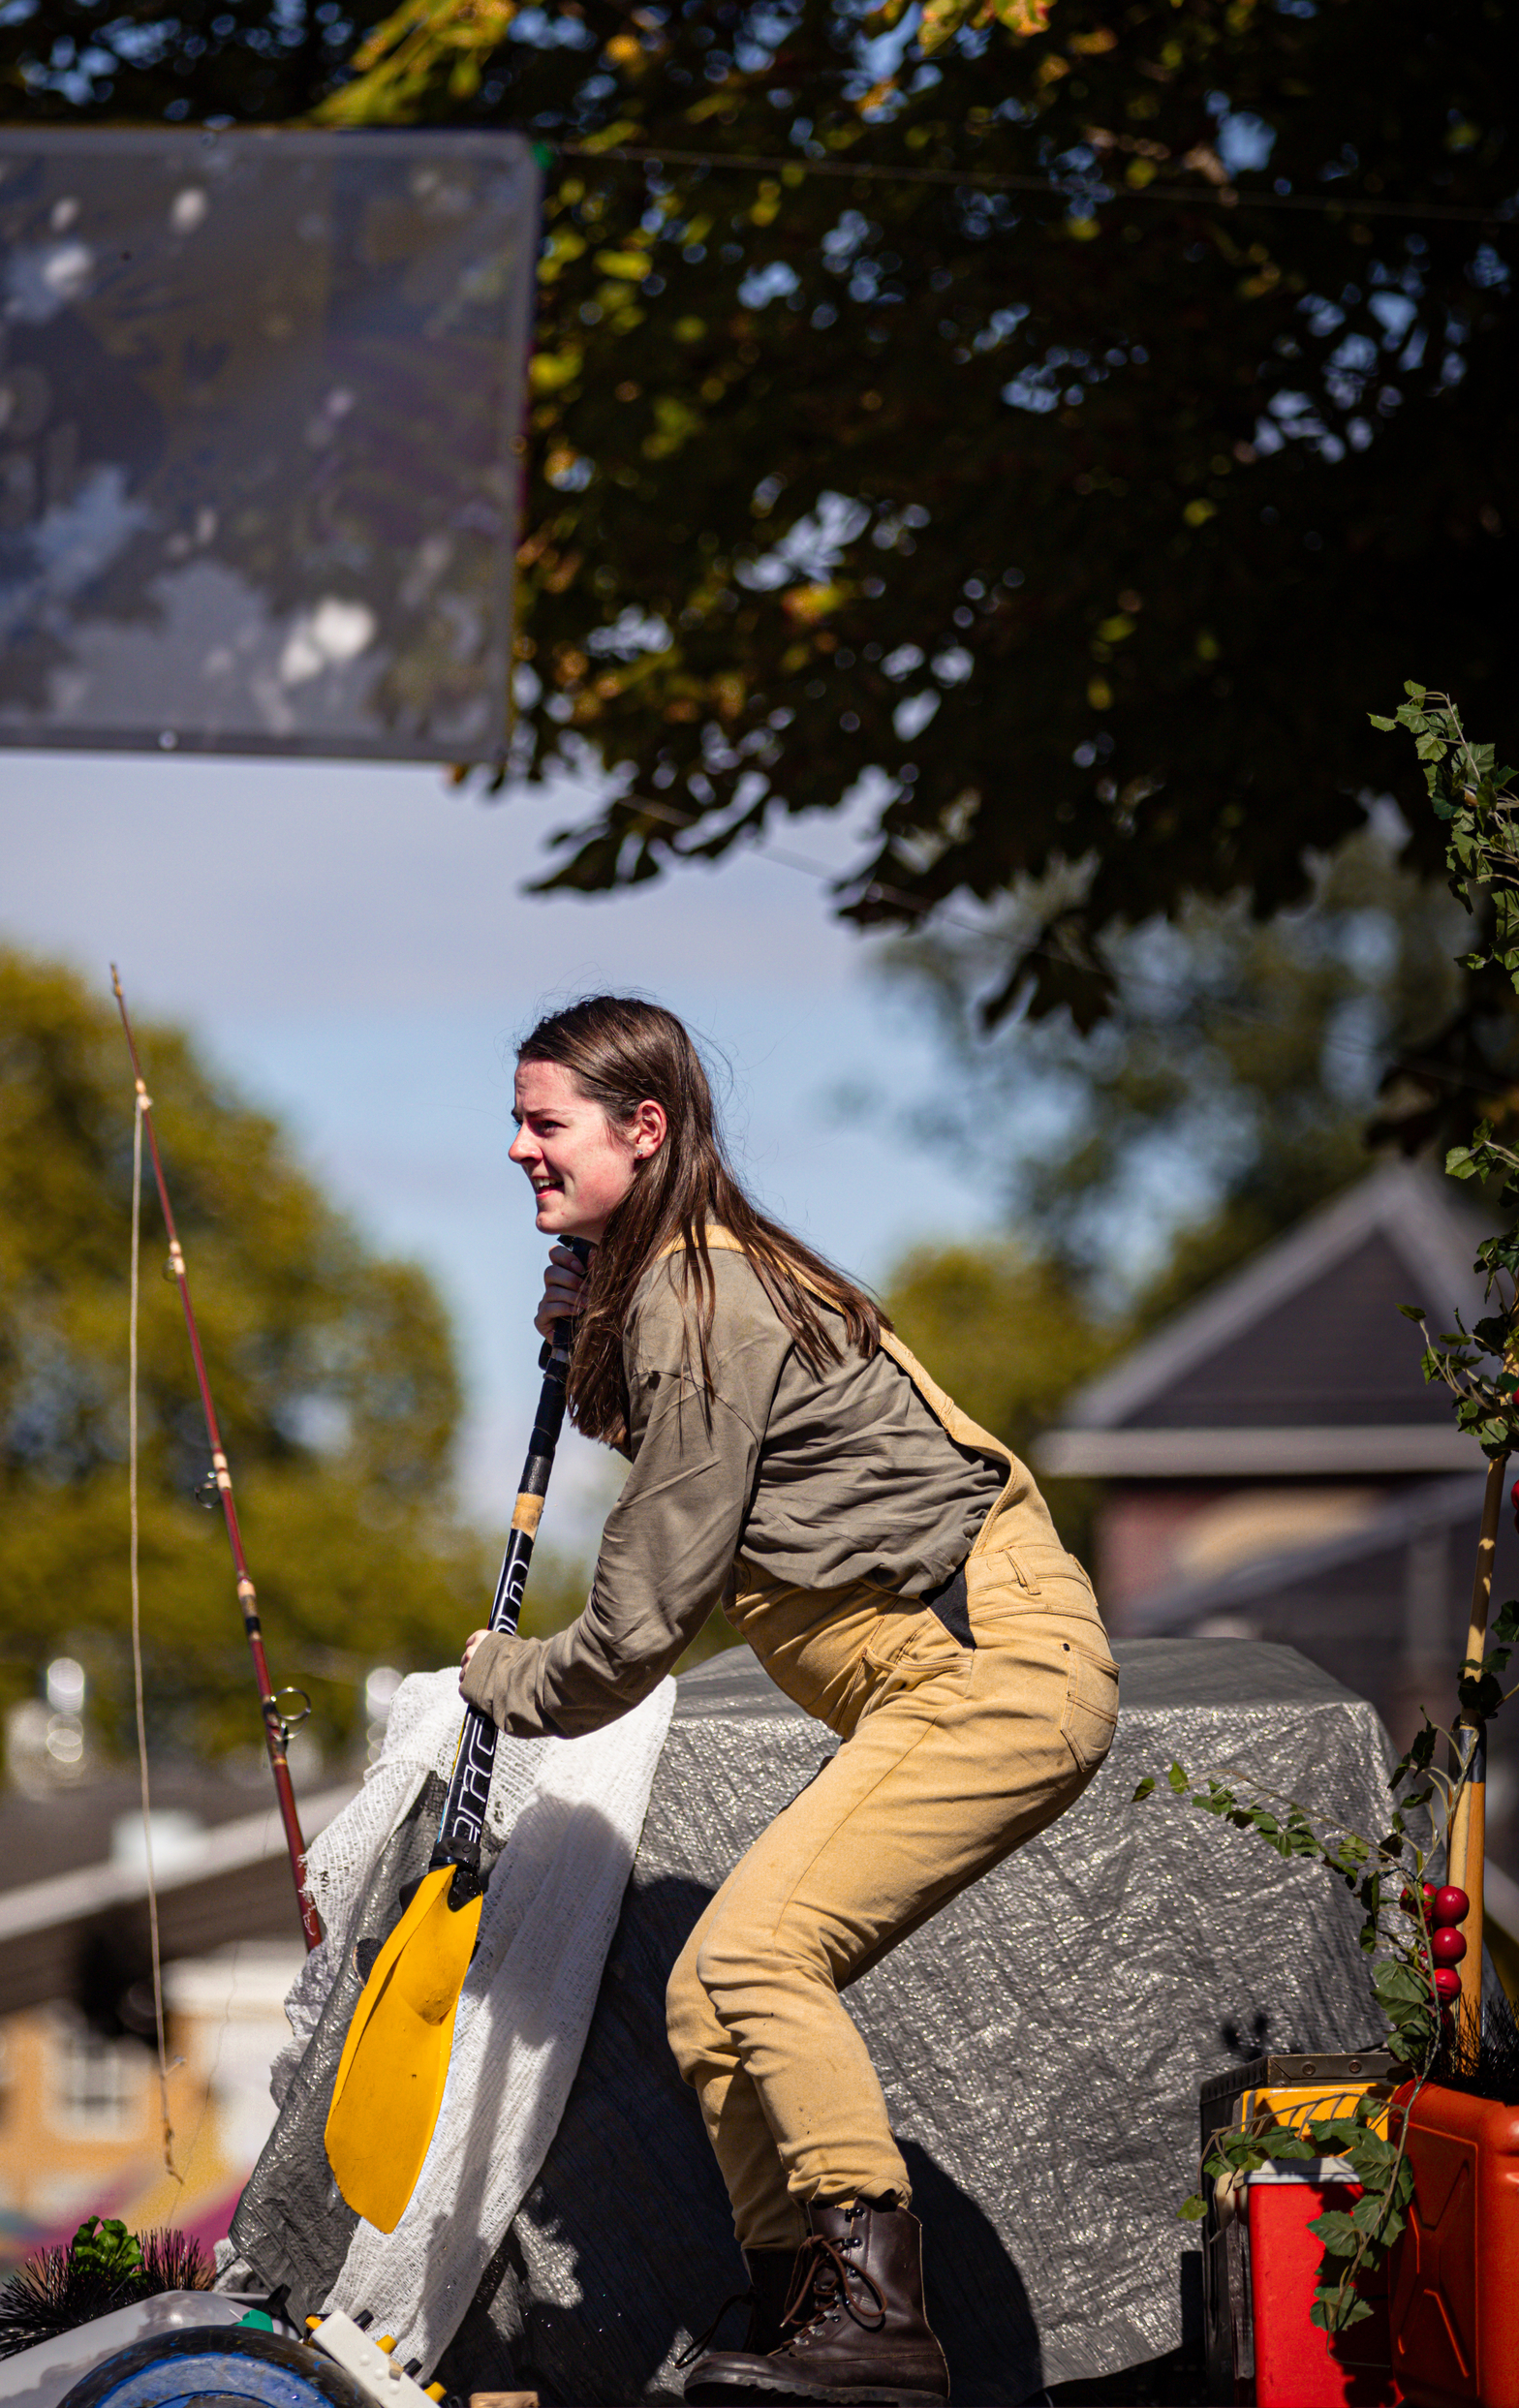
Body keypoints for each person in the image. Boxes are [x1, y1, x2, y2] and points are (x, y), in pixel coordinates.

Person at [457, 997, 1120, 2408]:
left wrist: (495, 1679)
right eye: (515, 1119)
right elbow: (720, 1473)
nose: (514, 1146)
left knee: (758, 1960)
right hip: (940, 1683)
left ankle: (878, 2325)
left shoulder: (703, 1295)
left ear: (645, 1128)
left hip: (985, 1670)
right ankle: (799, 2316)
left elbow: (638, 1623)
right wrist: (593, 1354)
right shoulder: (691, 1296)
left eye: (542, 1120)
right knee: (709, 1995)